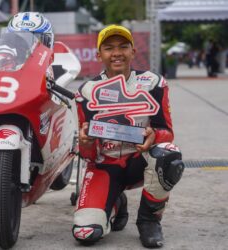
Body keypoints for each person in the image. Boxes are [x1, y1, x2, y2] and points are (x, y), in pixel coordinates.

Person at [72, 24, 184, 248]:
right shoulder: (86, 91)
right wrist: (86, 142)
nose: (116, 53)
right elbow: (88, 154)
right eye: (109, 48)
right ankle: (116, 202)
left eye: (123, 46)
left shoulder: (153, 83)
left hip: (139, 162)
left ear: (133, 52)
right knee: (86, 234)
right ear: (99, 54)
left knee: (169, 154)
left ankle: (149, 221)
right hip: (105, 165)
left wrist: (154, 136)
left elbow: (167, 131)